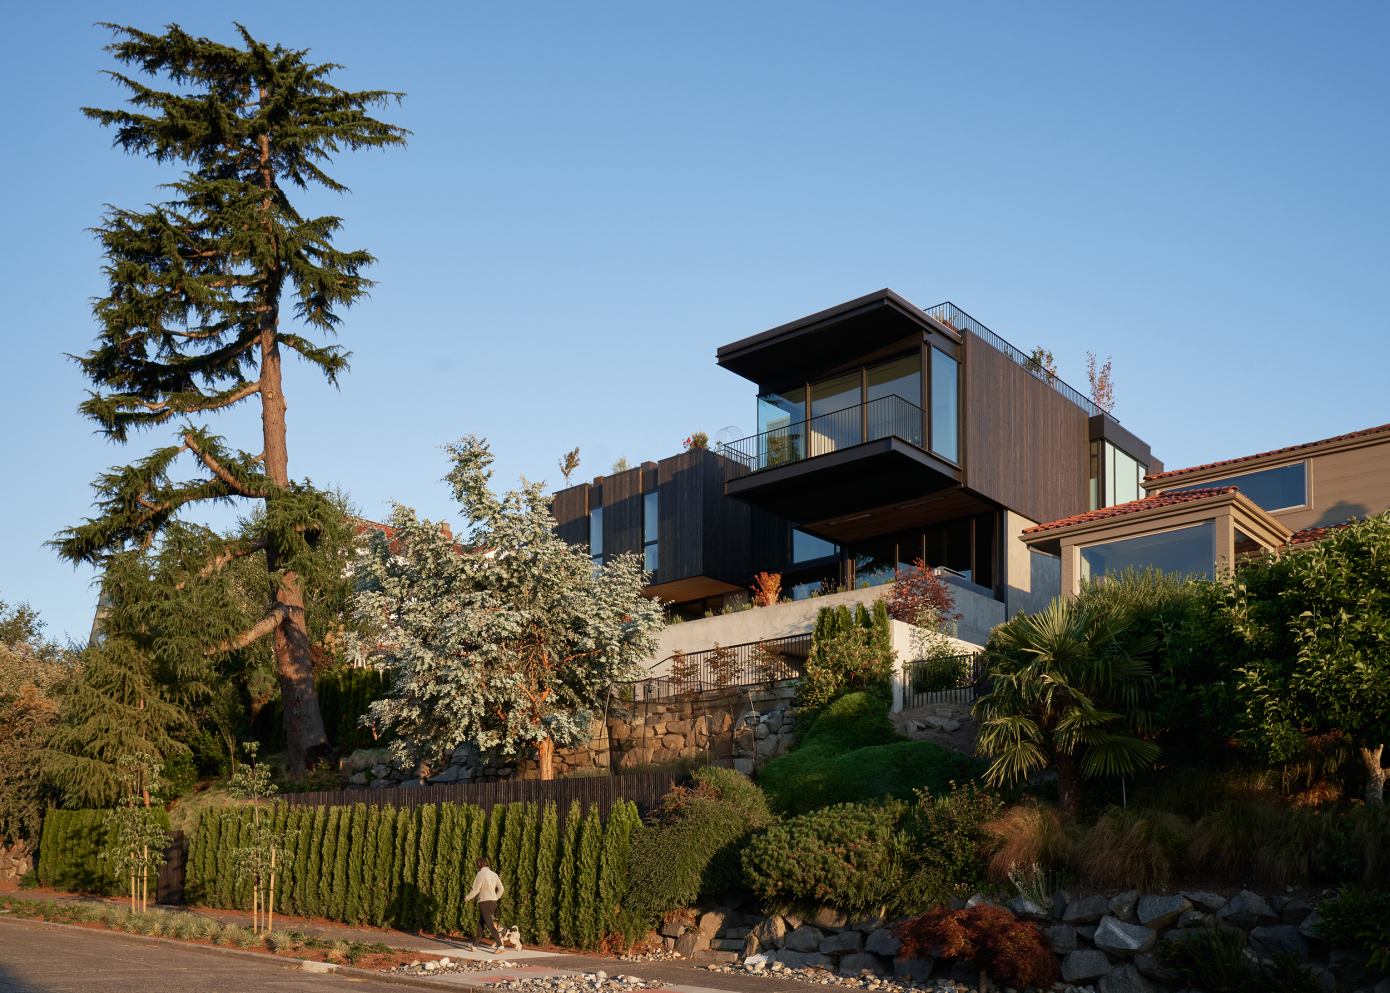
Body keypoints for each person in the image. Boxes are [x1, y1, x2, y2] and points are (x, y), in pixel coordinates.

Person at [464, 856, 506, 950]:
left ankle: (500, 946)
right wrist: (495, 898)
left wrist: (466, 898)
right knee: (480, 924)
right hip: (493, 903)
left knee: (490, 925)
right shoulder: (494, 874)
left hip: (484, 903)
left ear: (479, 865)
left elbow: (475, 891)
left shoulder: (480, 875)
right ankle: (474, 945)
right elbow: (501, 889)